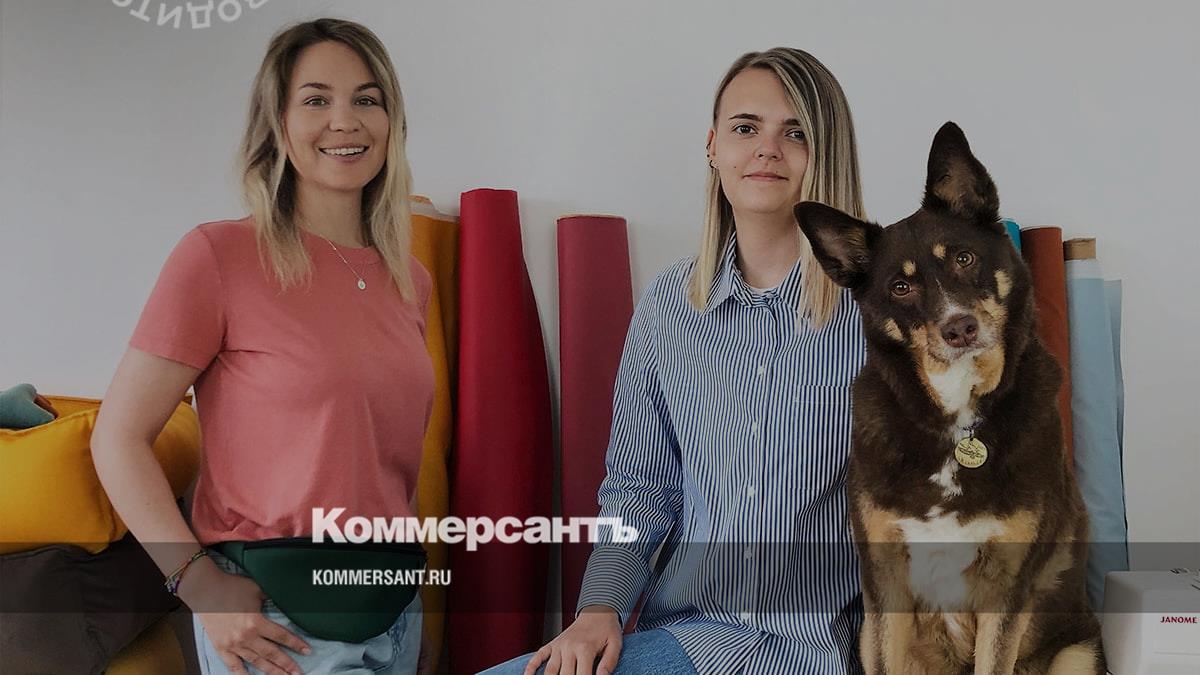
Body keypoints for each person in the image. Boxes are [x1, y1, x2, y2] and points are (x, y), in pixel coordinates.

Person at [482, 48, 869, 675]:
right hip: (685, 636)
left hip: (808, 648)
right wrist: (600, 609)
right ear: (713, 147)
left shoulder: (884, 314)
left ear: (830, 153)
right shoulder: (669, 305)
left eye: (796, 132)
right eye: (746, 127)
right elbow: (639, 488)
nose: (767, 150)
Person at [91, 18, 433, 675]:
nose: (345, 120)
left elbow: (386, 465)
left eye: (366, 99)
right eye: (316, 99)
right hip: (280, 621)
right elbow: (118, 437)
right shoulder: (219, 257)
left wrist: (414, 610)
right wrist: (197, 583)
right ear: (277, 122)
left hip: (393, 608)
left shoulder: (409, 279)